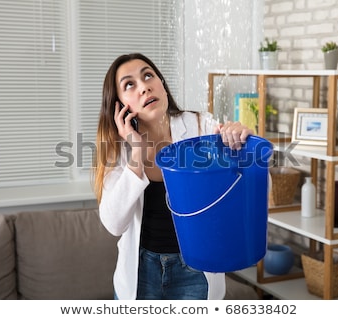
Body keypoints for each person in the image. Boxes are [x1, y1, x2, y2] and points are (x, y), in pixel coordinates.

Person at [93, 53, 254, 300]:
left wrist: (243, 149)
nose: (144, 86)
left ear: (163, 86)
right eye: (130, 84)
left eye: (148, 76)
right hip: (140, 272)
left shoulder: (202, 127)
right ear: (119, 106)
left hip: (196, 270)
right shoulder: (117, 150)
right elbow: (114, 224)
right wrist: (137, 151)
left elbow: (251, 191)